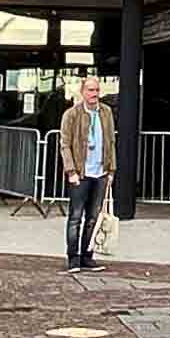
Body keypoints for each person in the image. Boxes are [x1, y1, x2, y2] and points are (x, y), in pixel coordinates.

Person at [56, 74, 115, 271]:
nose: (94, 94)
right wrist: (70, 170)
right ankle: (73, 256)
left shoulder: (106, 112)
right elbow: (65, 144)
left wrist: (111, 169)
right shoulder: (71, 114)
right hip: (80, 172)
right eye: (90, 90)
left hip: (100, 172)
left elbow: (111, 142)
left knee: (93, 216)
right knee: (76, 216)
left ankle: (87, 254)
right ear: (82, 92)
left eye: (97, 90)